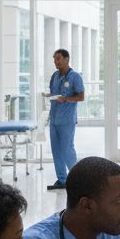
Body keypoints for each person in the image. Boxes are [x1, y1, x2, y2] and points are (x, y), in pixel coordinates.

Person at [47, 48, 85, 190]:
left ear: (66, 59)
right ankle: (62, 180)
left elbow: (81, 97)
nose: (56, 62)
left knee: (67, 150)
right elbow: (54, 93)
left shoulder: (75, 76)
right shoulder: (54, 76)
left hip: (67, 119)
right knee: (56, 150)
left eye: (58, 59)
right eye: (54, 59)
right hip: (54, 119)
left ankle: (77, 179)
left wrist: (67, 99)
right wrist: (48, 95)